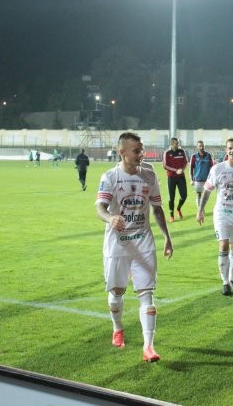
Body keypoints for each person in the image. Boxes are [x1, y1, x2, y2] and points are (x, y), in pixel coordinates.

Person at [95, 132, 174, 362]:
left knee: (147, 295)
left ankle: (149, 346)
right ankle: (117, 328)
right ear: (122, 152)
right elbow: (100, 207)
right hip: (117, 244)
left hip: (143, 242)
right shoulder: (110, 177)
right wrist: (110, 218)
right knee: (116, 293)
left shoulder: (149, 175)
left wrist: (167, 237)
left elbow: (157, 209)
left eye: (142, 150)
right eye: (136, 151)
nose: (141, 154)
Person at [196, 138, 233, 296]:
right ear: (226, 150)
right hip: (222, 213)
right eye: (230, 148)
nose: (232, 151)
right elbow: (207, 191)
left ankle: (231, 278)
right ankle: (224, 282)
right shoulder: (217, 169)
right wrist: (200, 210)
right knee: (223, 245)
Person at [162, 137, 188, 223]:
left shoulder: (182, 151)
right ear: (172, 144)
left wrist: (182, 170)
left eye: (178, 143)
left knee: (184, 196)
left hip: (181, 177)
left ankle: (178, 209)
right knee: (171, 198)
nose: (178, 145)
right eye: (176, 143)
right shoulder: (167, 153)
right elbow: (165, 165)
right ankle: (171, 215)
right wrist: (176, 170)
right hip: (171, 177)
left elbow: (185, 162)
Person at [190, 140, 215, 210]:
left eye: (203, 146)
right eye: (200, 146)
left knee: (206, 196)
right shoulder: (194, 156)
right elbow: (191, 168)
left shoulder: (208, 155)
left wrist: (211, 178)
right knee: (198, 194)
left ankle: (202, 207)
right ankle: (200, 210)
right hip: (197, 179)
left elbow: (212, 167)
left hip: (207, 180)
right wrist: (191, 179)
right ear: (197, 147)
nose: (201, 147)